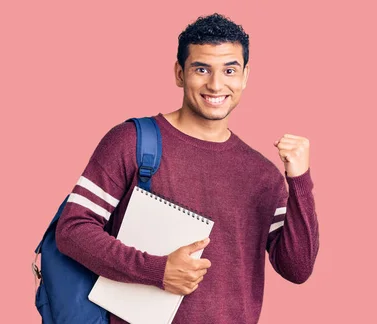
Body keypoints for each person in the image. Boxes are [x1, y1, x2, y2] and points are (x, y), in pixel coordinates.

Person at [55, 13, 319, 324]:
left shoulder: (262, 174)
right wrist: (157, 270)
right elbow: (72, 231)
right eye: (202, 69)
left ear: (245, 76)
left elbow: (297, 268)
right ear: (180, 73)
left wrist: (300, 180)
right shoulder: (132, 141)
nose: (216, 84)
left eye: (229, 70)